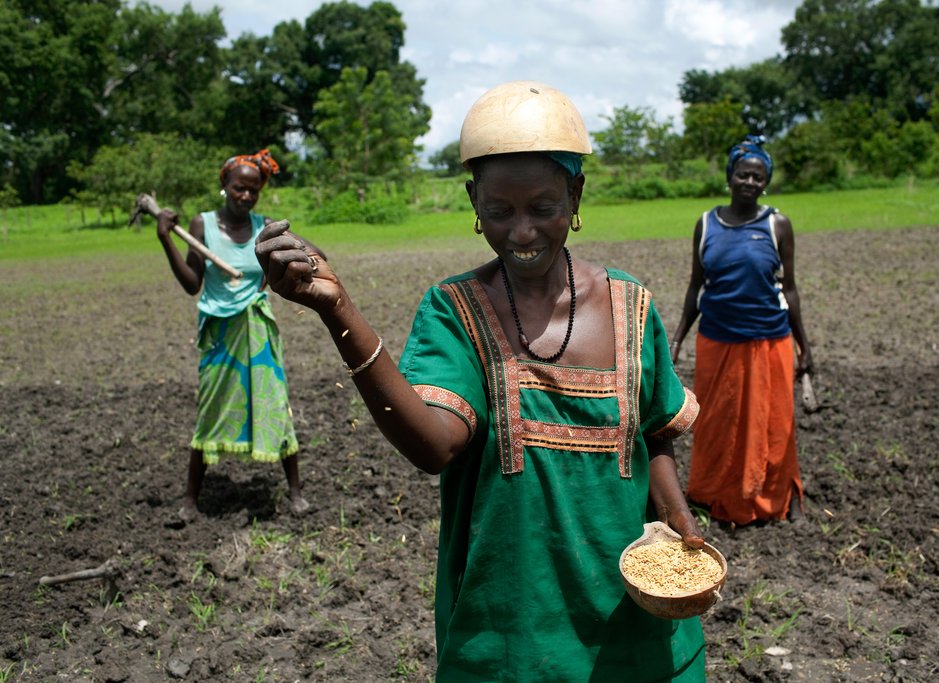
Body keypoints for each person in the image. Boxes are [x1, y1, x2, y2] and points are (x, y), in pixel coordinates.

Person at [255, 81, 708, 681]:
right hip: (511, 633)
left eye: (542, 208)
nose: (521, 232)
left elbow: (653, 433)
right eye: (499, 211)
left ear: (575, 195)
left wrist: (676, 516)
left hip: (636, 628)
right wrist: (339, 311)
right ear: (474, 202)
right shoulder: (455, 311)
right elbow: (435, 446)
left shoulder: (631, 306)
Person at [156, 149, 313, 521]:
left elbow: (311, 252)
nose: (246, 195)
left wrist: (280, 271)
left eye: (253, 190)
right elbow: (192, 284)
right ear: (224, 186)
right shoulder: (201, 226)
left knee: (274, 403)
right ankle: (190, 501)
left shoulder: (266, 226)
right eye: (239, 187)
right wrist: (166, 239)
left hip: (258, 330)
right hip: (219, 334)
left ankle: (295, 493)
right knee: (211, 408)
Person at [670, 135, 812, 526]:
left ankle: (780, 496)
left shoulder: (777, 225)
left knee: (775, 424)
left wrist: (806, 349)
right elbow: (696, 285)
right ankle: (710, 496)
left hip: (770, 340)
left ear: (765, 182)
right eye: (743, 174)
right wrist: (679, 337)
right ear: (730, 177)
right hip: (717, 339)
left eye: (758, 176)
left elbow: (791, 288)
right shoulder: (706, 224)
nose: (749, 182)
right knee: (716, 422)